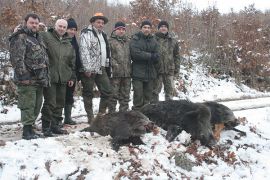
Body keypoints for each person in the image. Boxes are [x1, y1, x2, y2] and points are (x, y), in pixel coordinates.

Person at [9, 13, 49, 140]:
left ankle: (31, 129)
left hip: (39, 79)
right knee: (28, 105)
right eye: (31, 22)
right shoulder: (20, 37)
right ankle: (27, 132)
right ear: (26, 22)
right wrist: (23, 76)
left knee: (37, 104)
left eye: (36, 23)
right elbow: (16, 59)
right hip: (27, 79)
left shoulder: (37, 37)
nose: (34, 25)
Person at [40, 19, 76, 136]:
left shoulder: (68, 42)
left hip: (63, 77)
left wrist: (72, 77)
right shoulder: (46, 36)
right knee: (50, 102)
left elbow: (71, 62)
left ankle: (55, 125)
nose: (61, 29)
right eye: (59, 26)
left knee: (60, 102)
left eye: (64, 27)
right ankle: (46, 127)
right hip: (50, 75)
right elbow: (33, 36)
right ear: (55, 26)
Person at [79, 12, 112, 123]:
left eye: (102, 23)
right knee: (88, 93)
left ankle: (100, 115)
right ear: (93, 22)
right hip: (90, 68)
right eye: (98, 22)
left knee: (107, 91)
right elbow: (84, 51)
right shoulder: (86, 33)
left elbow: (106, 52)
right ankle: (90, 117)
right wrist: (87, 68)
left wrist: (108, 66)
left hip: (101, 68)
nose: (101, 24)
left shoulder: (104, 35)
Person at [129, 20, 159, 110]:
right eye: (145, 27)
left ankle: (146, 118)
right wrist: (150, 55)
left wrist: (151, 56)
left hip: (150, 73)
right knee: (138, 97)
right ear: (141, 28)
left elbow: (157, 55)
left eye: (149, 28)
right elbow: (136, 54)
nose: (147, 29)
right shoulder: (135, 39)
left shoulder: (153, 40)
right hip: (138, 73)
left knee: (148, 98)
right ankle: (136, 117)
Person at [152, 20, 181, 102]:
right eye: (161, 27)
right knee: (154, 92)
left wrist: (177, 69)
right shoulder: (153, 39)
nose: (163, 28)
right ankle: (155, 110)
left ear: (167, 28)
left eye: (165, 27)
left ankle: (169, 111)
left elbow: (177, 56)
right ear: (158, 28)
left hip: (169, 71)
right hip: (157, 71)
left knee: (169, 92)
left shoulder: (173, 40)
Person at [108, 21, 131, 112]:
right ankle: (111, 115)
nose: (121, 31)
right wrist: (115, 65)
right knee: (113, 96)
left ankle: (123, 115)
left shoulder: (128, 41)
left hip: (127, 74)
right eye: (119, 29)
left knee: (125, 96)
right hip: (115, 74)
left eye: (123, 29)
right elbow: (108, 57)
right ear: (115, 30)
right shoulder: (110, 41)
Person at [63, 18, 82, 125]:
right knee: (59, 98)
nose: (72, 31)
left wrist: (75, 76)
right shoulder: (62, 40)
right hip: (61, 74)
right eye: (70, 29)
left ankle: (68, 118)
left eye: (74, 29)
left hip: (73, 74)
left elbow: (76, 60)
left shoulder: (75, 42)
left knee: (69, 96)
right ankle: (55, 119)